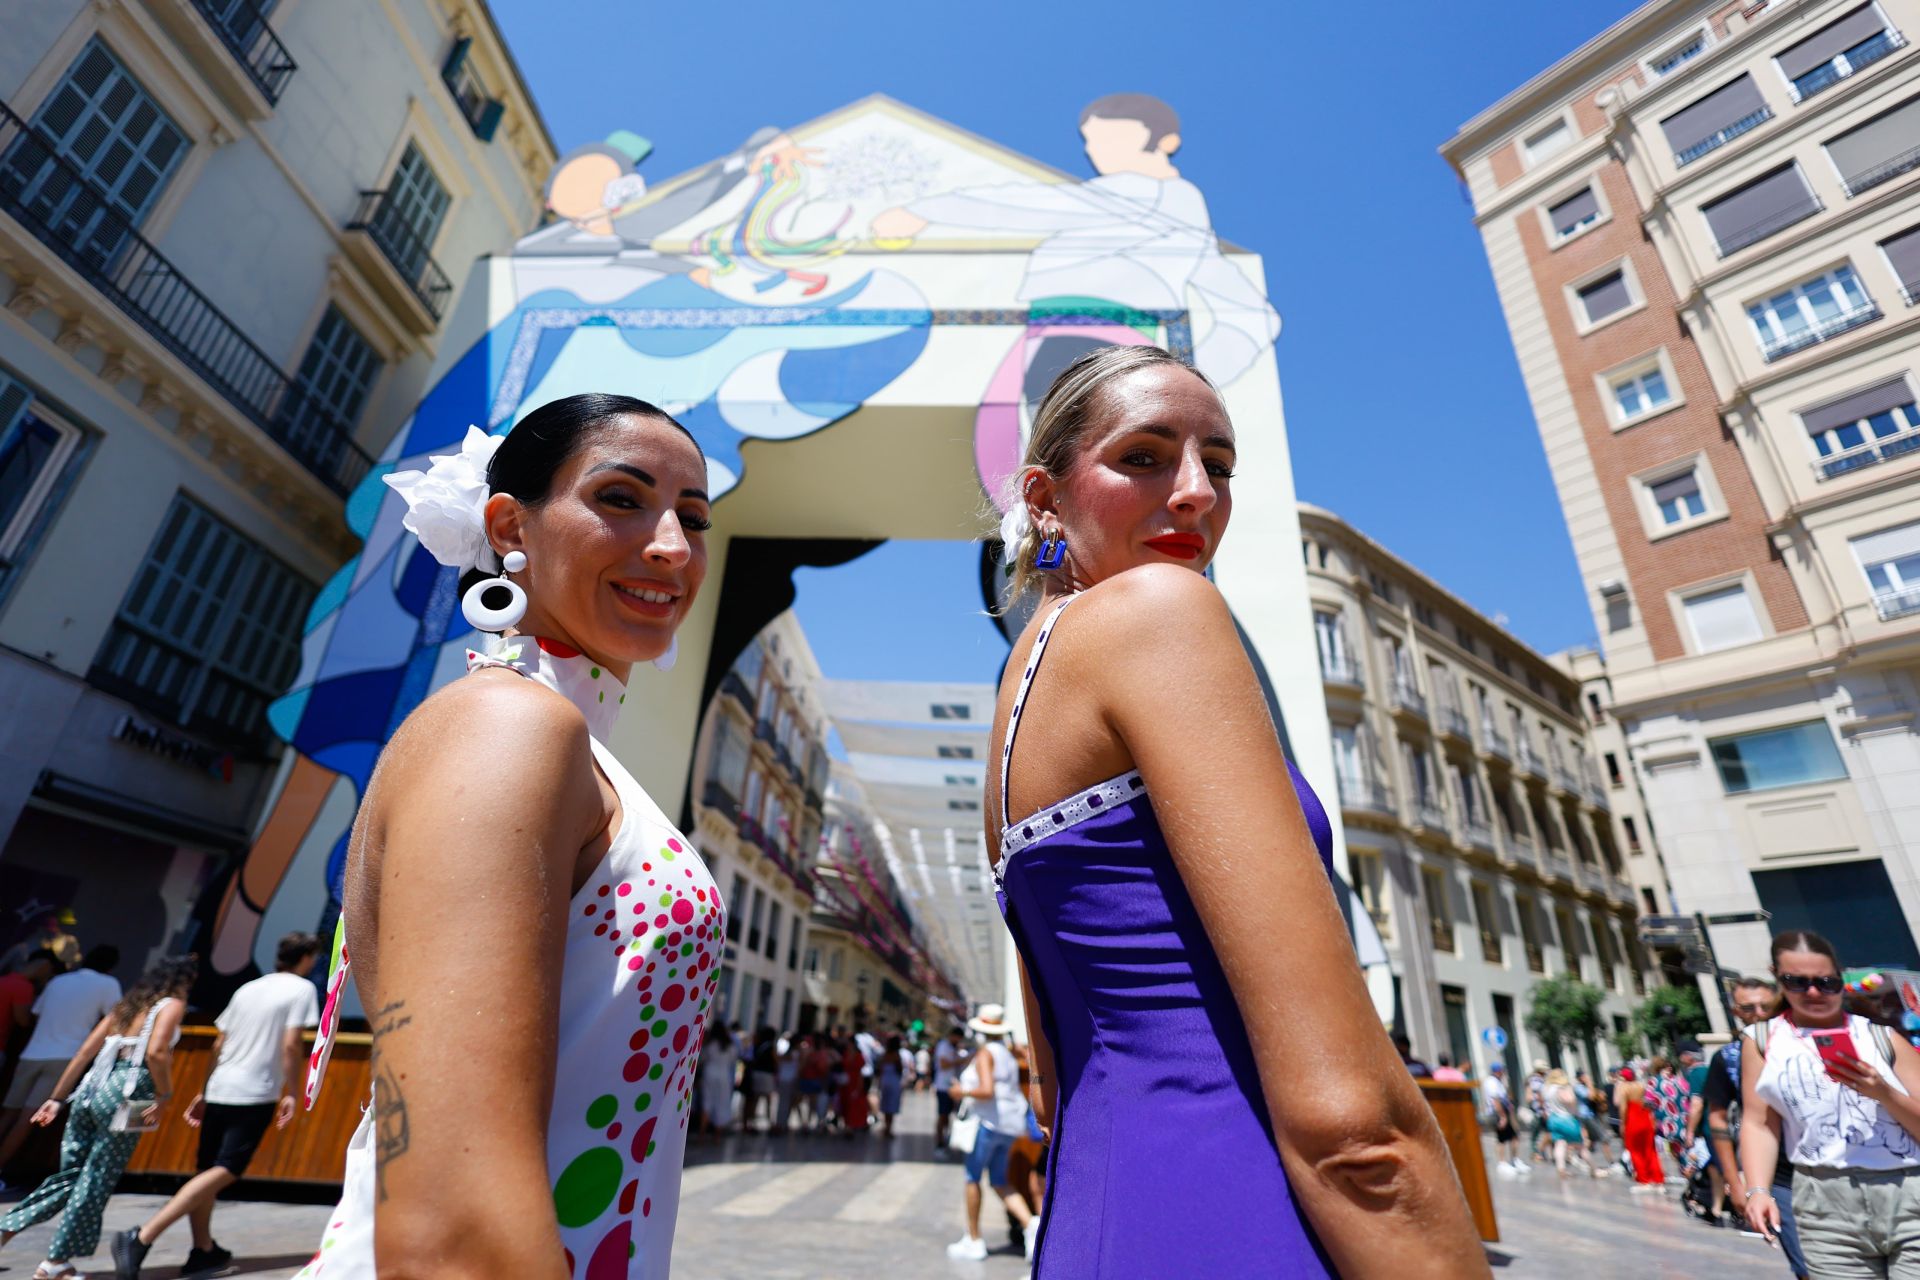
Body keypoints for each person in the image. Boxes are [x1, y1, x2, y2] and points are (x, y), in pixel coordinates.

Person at [984, 346, 1485, 1276]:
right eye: (1144, 456)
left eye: (1218, 465)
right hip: (1244, 1204)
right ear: (1044, 495)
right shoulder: (1162, 613)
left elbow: (1054, 1064)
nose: (1195, 493)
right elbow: (1353, 1127)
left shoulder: (1021, 687)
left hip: (1102, 1210)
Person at [291, 394, 725, 1278]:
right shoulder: (507, 727)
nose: (673, 547)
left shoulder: (560, 742)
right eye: (621, 498)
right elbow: (454, 1223)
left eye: (693, 517)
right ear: (507, 524)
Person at [112, 932, 322, 1278]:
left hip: (222, 1086)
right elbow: (290, 1046)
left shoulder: (247, 988)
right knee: (228, 1169)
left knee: (207, 1171)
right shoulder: (300, 990)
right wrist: (293, 1092)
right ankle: (142, 1235)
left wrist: (205, 1090)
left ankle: (204, 1249)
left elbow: (218, 1044)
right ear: (307, 958)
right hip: (255, 1091)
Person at [0, 955, 194, 1280]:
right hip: (129, 1090)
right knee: (97, 1177)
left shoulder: (127, 1006)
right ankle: (56, 1262)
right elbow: (157, 1051)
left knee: (74, 1175)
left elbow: (84, 1053)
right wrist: (165, 1095)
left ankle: (6, 1229)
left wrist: (56, 1099)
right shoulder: (171, 1005)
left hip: (91, 1090)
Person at [1741, 930, 1920, 1276]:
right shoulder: (1762, 1041)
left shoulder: (1880, 1036)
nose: (1813, 992)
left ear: (1840, 978)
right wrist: (1758, 1190)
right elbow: (1759, 1123)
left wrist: (1884, 1093)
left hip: (1909, 1191)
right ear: (1777, 978)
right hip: (1824, 1202)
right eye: (1798, 982)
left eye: (1826, 983)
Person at [1706, 974, 1808, 1275]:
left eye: (1766, 1006)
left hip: (1829, 1166)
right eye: (1749, 1009)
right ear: (1736, 1011)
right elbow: (1718, 1119)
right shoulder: (1728, 1058)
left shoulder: (1804, 1042)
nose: (1759, 1014)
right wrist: (1738, 1185)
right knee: (1807, 1266)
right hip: (1780, 1175)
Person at [0, 947, 122, 1176]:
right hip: (65, 1056)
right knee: (27, 1119)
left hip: (31, 1053)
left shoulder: (59, 981)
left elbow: (35, 1013)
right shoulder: (108, 984)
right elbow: (114, 1021)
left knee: (9, 1114)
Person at [945, 1004, 1037, 1262]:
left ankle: (974, 1240)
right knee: (999, 1180)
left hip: (986, 1123)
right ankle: (1031, 1224)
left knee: (972, 1177)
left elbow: (986, 1090)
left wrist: (959, 1092)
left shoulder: (986, 1053)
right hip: (1008, 1125)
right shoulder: (1007, 1054)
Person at [1615, 1066, 1666, 1191]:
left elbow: (1623, 1108)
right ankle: (1658, 1178)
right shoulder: (1641, 1085)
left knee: (1635, 1151)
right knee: (1650, 1150)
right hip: (1645, 1117)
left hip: (1632, 1120)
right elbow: (1648, 1102)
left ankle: (1644, 1179)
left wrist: (1623, 1123)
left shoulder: (1623, 1088)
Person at [1542, 1069, 1588, 1178]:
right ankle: (1593, 1169)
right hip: (1566, 1118)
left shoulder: (1547, 1089)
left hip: (1553, 1119)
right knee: (1581, 1145)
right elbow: (1570, 1100)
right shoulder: (1561, 1088)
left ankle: (1560, 1168)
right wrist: (1570, 1090)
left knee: (1559, 1144)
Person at [1485, 1061, 1527, 1176]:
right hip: (1499, 1113)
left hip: (1505, 1111)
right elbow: (1495, 1100)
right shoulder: (1491, 1082)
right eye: (1501, 1070)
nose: (1503, 1072)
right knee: (1502, 1138)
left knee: (1514, 1136)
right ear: (1497, 1071)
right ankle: (1502, 1163)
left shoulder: (1499, 1081)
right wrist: (1502, 1116)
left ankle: (1515, 1160)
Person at [699, 1021, 739, 1136]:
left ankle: (702, 1133)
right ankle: (717, 1134)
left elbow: (702, 1059)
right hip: (724, 1075)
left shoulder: (710, 1044)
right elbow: (733, 1060)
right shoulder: (730, 1046)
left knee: (707, 1102)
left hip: (709, 1073)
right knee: (721, 1103)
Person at [933, 1027, 967, 1151]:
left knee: (948, 1114)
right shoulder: (944, 1046)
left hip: (951, 1086)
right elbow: (943, 1064)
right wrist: (960, 1061)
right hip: (943, 1086)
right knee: (943, 1114)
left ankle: (945, 1137)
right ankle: (939, 1139)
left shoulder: (953, 1047)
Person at [877, 1035, 905, 1138]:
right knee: (891, 1106)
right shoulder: (896, 1056)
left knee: (886, 1105)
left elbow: (880, 1069)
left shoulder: (884, 1055)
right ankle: (889, 1128)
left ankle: (886, 1127)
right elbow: (900, 1070)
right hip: (893, 1083)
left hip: (885, 1082)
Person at [773, 1032, 800, 1135]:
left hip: (785, 1079)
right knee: (785, 1103)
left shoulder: (786, 1053)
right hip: (790, 1080)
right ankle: (781, 1124)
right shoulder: (795, 1053)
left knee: (783, 1103)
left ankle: (781, 1123)